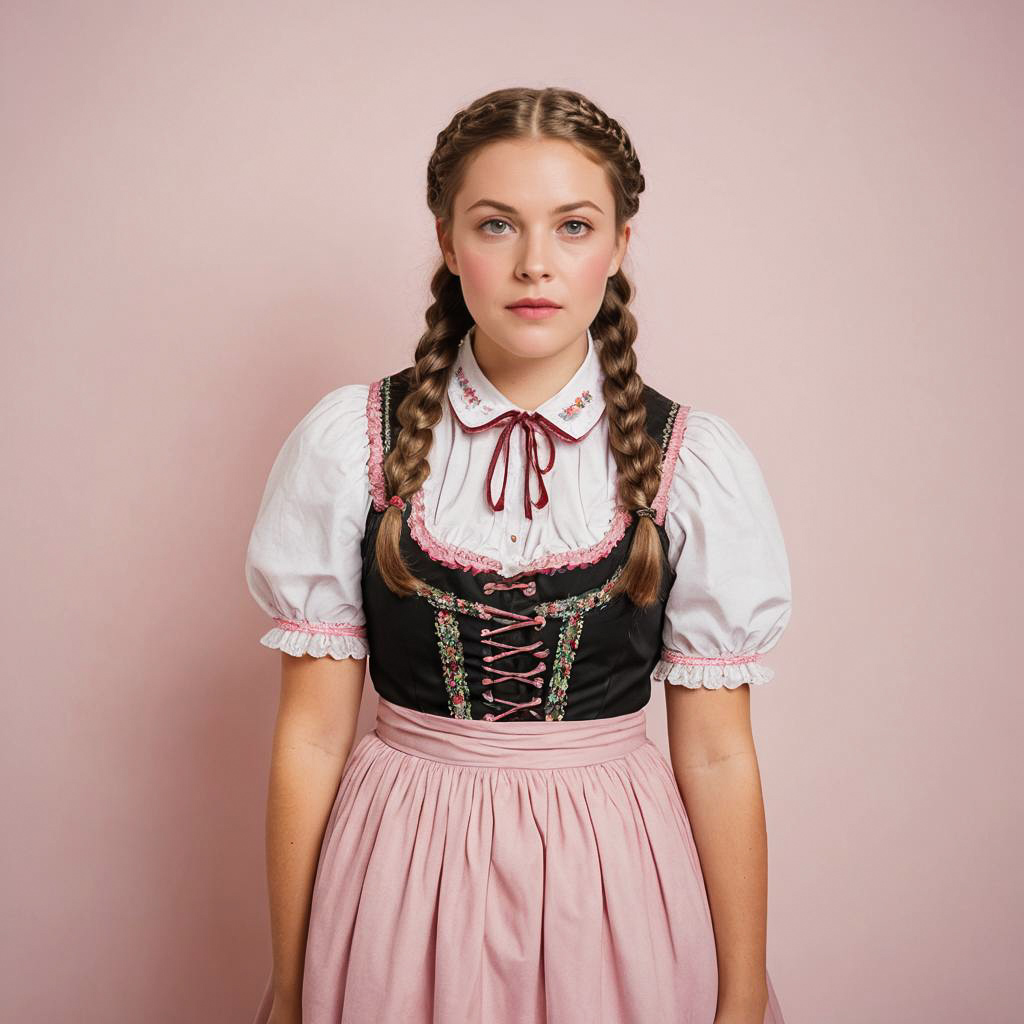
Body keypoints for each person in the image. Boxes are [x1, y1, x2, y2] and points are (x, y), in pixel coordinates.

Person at [244, 86, 793, 1024]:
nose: (535, 264)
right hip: (397, 866)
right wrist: (291, 983)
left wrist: (743, 989)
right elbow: (313, 736)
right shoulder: (351, 442)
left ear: (619, 246)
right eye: (497, 225)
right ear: (448, 242)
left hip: (615, 874)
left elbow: (714, 756)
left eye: (573, 227)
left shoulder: (690, 462)